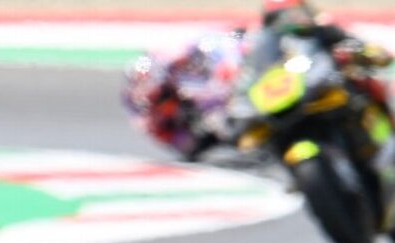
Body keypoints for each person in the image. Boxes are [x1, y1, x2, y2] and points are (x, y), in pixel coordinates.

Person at [122, 31, 245, 160]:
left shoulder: (179, 59)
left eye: (145, 82)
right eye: (139, 83)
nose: (143, 89)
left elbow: (226, 57)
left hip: (218, 87)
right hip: (192, 125)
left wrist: (227, 70)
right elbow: (146, 126)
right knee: (187, 144)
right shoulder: (135, 103)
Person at [255, 0, 392, 111]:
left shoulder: (324, 31)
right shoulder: (269, 45)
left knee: (371, 89)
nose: (302, 17)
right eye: (295, 14)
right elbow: (258, 75)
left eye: (302, 12)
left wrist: (359, 55)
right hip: (296, 101)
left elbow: (358, 45)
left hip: (335, 91)